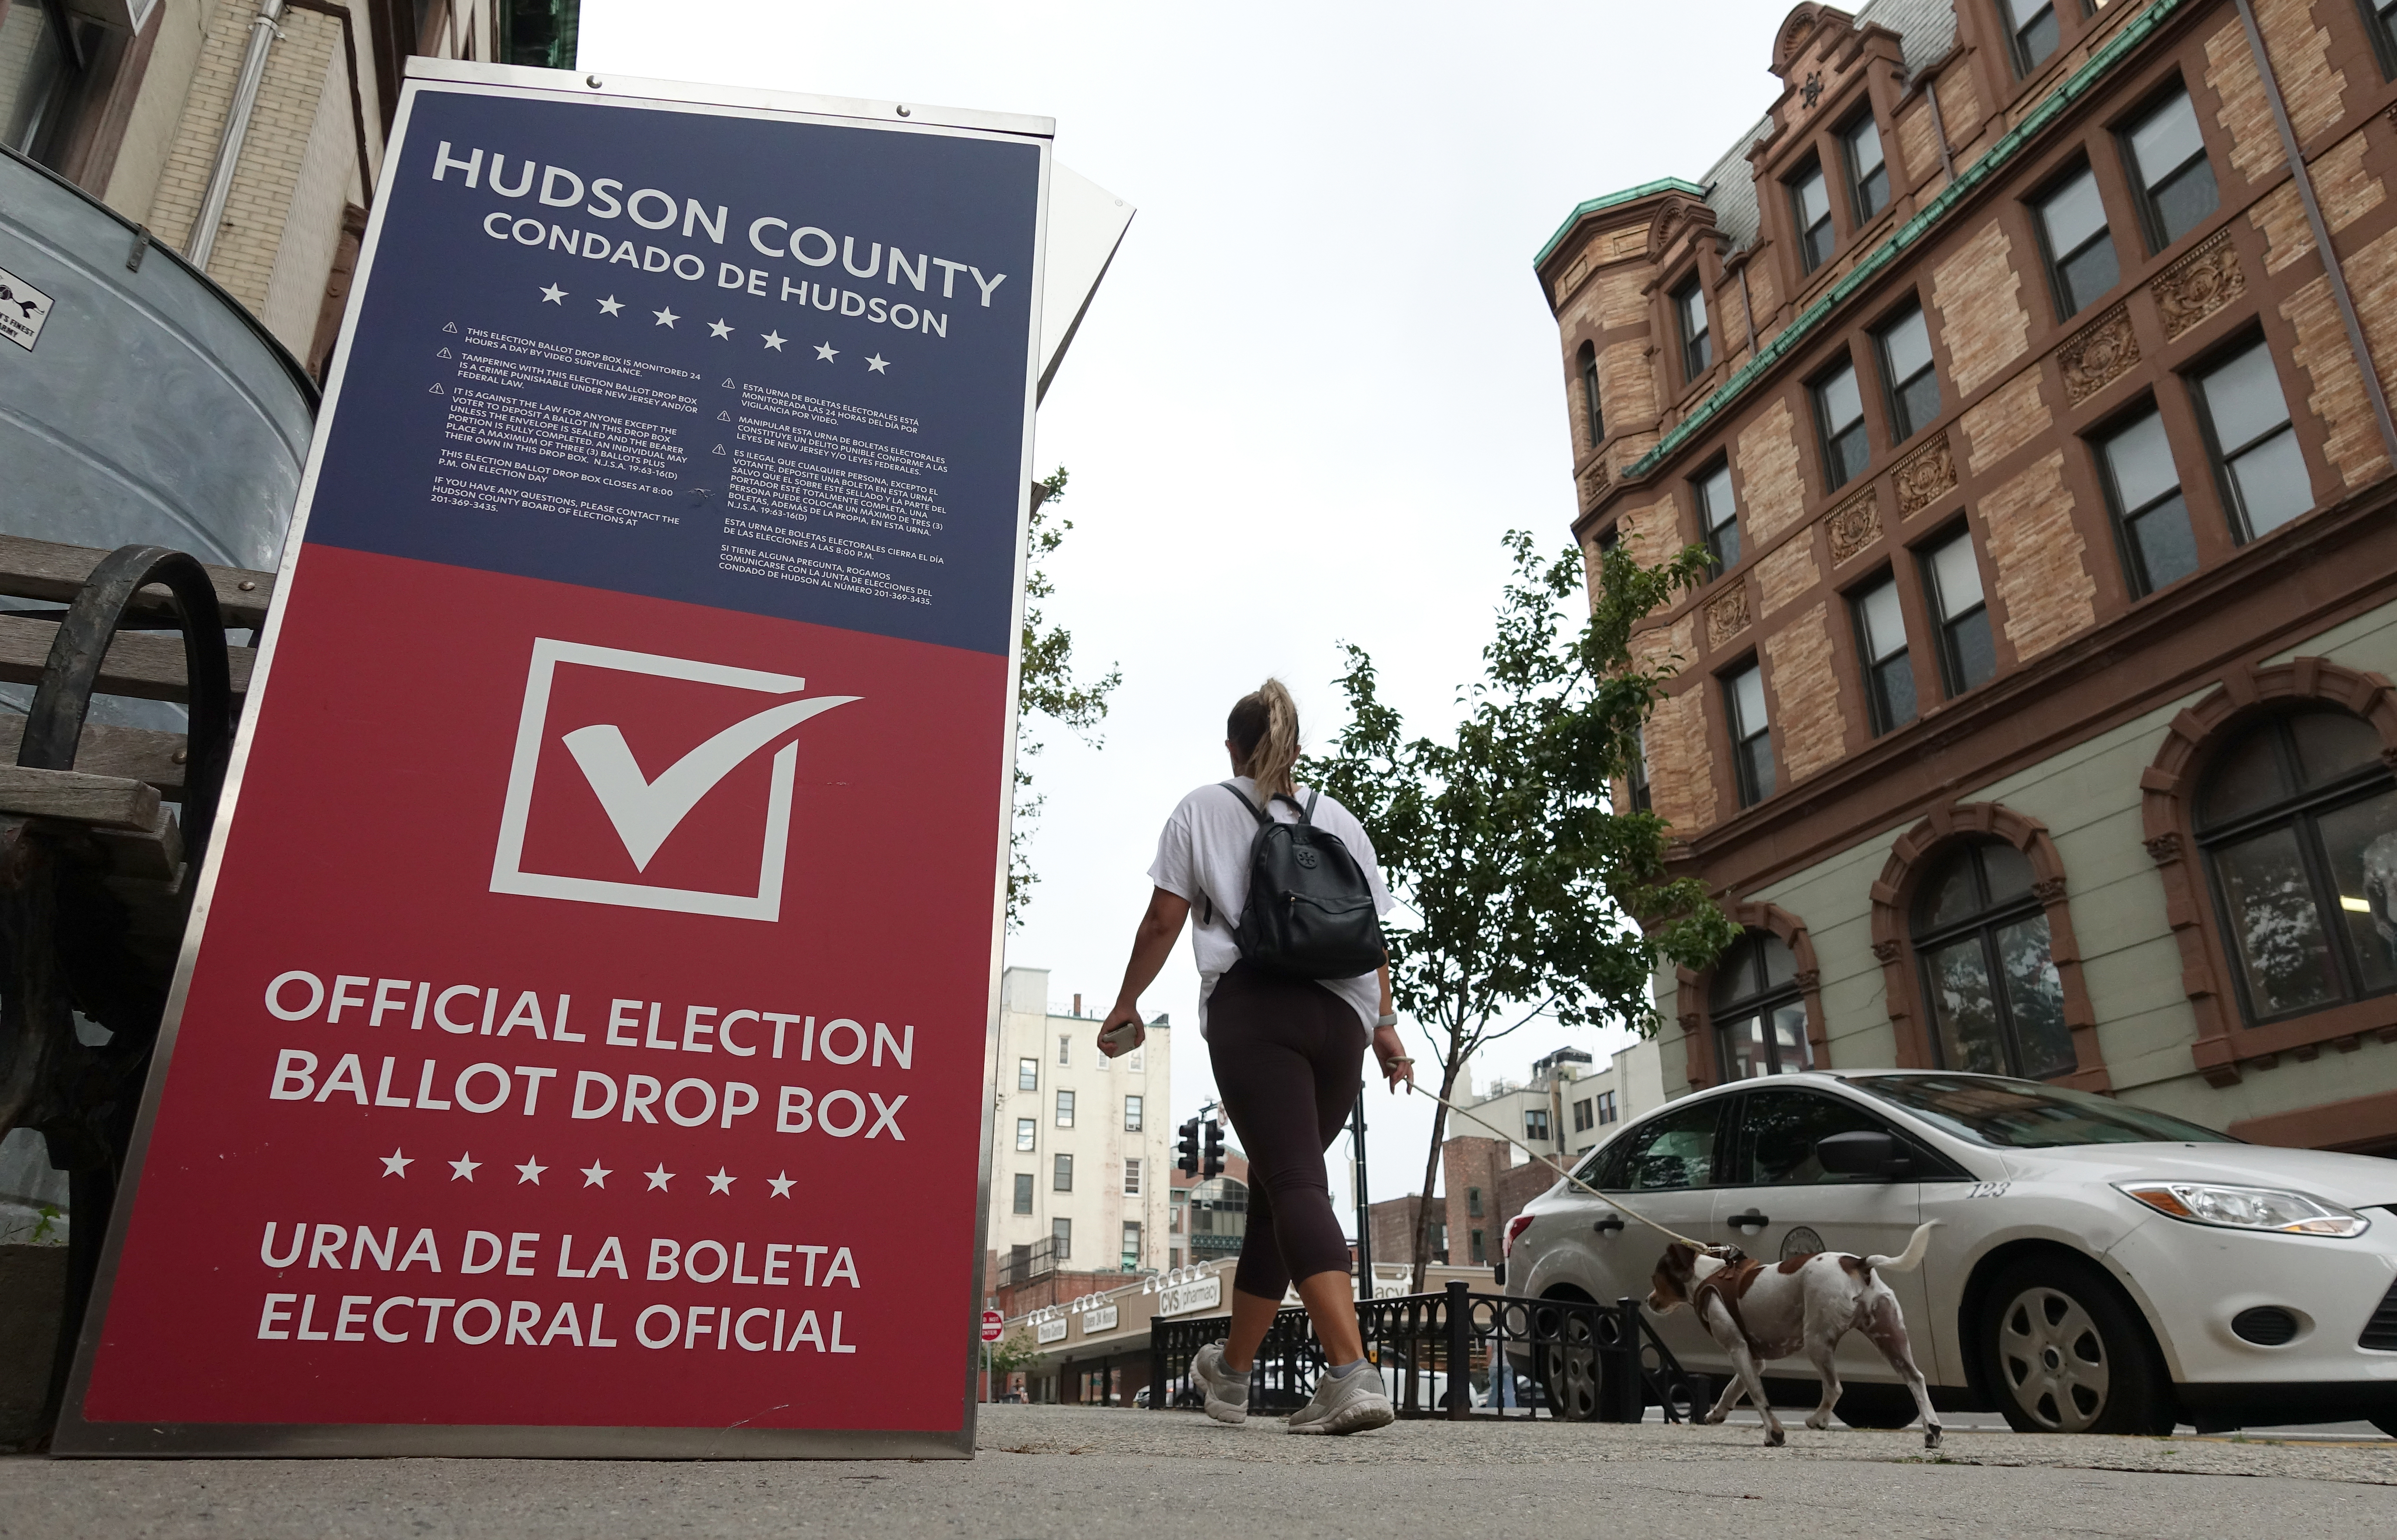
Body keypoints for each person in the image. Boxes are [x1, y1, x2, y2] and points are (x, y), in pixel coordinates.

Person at [1096, 679, 1414, 1435]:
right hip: (1341, 1024)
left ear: (1233, 748)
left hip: (1256, 1012)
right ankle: (1231, 1376)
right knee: (1275, 1196)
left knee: (1294, 1180)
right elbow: (1372, 938)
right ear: (1296, 751)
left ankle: (1350, 1371)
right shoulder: (1339, 819)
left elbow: (1162, 920)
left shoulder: (1204, 807)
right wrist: (1386, 1027)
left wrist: (1127, 1002)